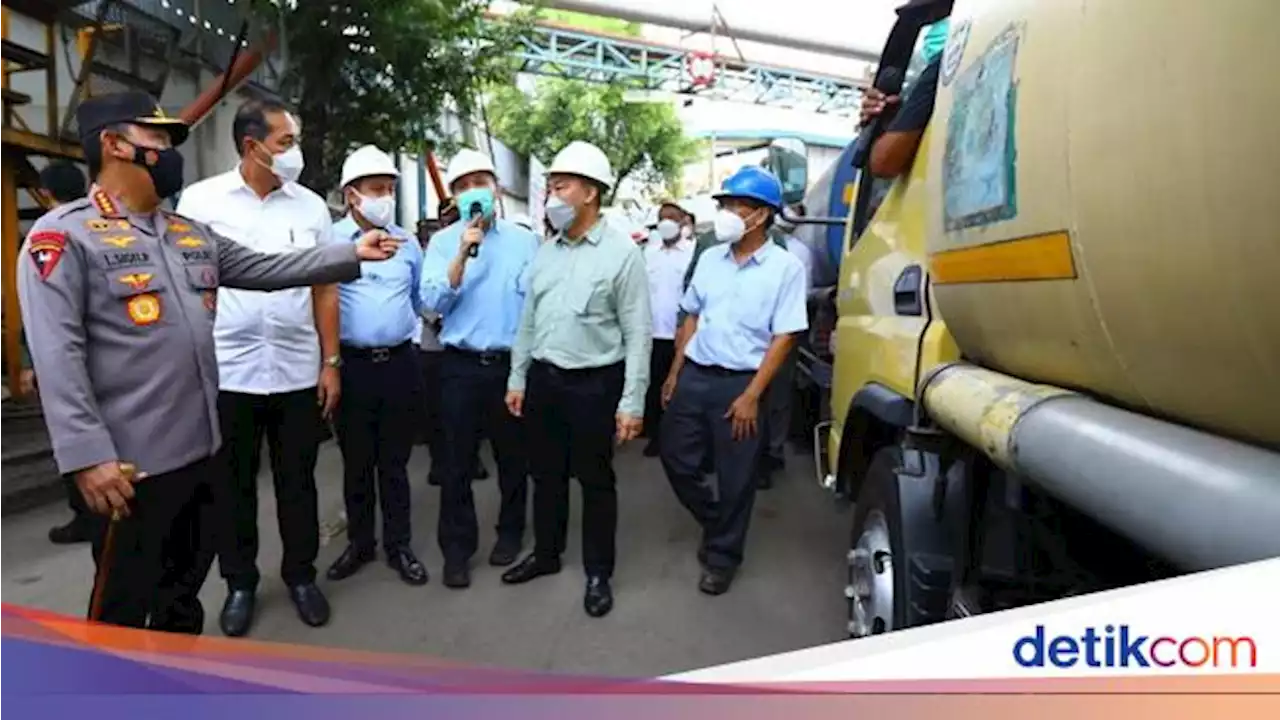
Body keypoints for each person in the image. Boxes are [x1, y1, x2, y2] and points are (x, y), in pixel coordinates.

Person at [17, 90, 400, 634]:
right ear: (113, 145)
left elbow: (270, 268)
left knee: (183, 596)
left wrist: (349, 254)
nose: (170, 150)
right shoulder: (64, 238)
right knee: (120, 613)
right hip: (129, 469)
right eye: (158, 138)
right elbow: (58, 358)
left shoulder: (187, 233)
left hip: (199, 454)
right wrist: (86, 457)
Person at [175, 97, 337, 638]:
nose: (296, 154)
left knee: (299, 483)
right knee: (232, 485)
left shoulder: (311, 208)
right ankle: (240, 582)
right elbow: (185, 287)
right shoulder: (201, 203)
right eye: (286, 143)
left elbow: (325, 287)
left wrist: (330, 361)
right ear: (253, 147)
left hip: (295, 370)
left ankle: (301, 576)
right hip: (230, 372)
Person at [501, 141, 651, 618]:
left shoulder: (623, 254)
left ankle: (598, 572)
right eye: (551, 186)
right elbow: (529, 319)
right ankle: (546, 554)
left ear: (590, 192)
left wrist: (632, 403)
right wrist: (518, 376)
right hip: (544, 380)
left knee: (595, 480)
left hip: (594, 384)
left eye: (560, 186)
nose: (551, 195)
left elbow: (639, 333)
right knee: (544, 474)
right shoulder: (547, 251)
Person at [659, 166, 808, 596]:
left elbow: (785, 336)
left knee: (737, 475)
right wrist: (675, 372)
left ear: (759, 215)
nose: (723, 212)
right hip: (696, 375)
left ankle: (723, 557)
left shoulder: (786, 268)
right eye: (722, 204)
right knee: (677, 459)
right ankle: (717, 520)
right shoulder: (709, 258)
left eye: (732, 205)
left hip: (741, 383)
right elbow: (691, 315)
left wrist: (752, 395)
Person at [421, 148, 537, 588]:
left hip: (508, 365)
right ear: (453, 196)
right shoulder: (442, 242)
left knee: (513, 458)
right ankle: (456, 550)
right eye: (464, 185)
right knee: (455, 464)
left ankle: (509, 533)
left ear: (497, 189)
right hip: (459, 368)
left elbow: (532, 310)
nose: (474, 192)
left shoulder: (525, 242)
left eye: (481, 182)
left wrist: (524, 372)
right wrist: (462, 254)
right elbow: (431, 303)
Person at [325, 145, 430, 587]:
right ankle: (360, 544)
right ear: (352, 196)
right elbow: (321, 301)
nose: (385, 197)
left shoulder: (407, 244)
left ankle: (399, 546)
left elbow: (420, 300)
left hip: (400, 365)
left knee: (395, 462)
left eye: (390, 189)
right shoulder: (330, 242)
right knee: (356, 461)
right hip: (352, 366)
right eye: (376, 189)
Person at [33, 160, 93, 546]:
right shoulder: (99, 227)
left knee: (73, 441)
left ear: (46, 193)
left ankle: (85, 516)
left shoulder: (50, 234)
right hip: (107, 360)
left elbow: (48, 316)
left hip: (70, 358)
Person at [757, 204, 815, 489]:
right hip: (757, 332)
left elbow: (801, 299)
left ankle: (771, 451)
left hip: (783, 330)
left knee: (776, 394)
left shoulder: (799, 254)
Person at [641, 200, 696, 458]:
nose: (666, 221)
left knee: (676, 387)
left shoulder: (692, 253)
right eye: (662, 216)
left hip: (680, 333)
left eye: (672, 217)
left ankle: (676, 439)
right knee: (653, 384)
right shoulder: (648, 254)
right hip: (652, 332)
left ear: (683, 221)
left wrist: (683, 327)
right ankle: (655, 435)